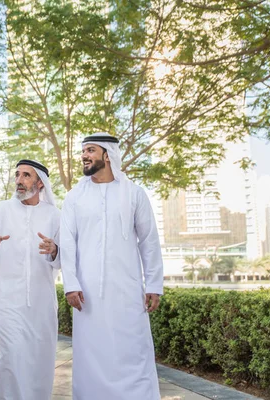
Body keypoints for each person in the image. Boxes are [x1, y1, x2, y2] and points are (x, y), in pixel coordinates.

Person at [60, 133, 164, 400]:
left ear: (107, 155)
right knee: (91, 354)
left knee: (133, 351)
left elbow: (149, 240)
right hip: (87, 293)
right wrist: (70, 283)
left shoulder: (134, 193)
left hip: (127, 290)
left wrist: (153, 284)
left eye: (90, 150)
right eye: (83, 151)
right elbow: (67, 242)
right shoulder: (74, 197)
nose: (84, 156)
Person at [0, 159, 61, 400]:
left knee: (40, 359)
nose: (19, 181)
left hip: (42, 302)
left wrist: (55, 249)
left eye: (26, 176)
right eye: (17, 175)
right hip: (7, 301)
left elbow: (65, 258)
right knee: (12, 356)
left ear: (40, 183)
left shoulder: (54, 215)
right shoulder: (0, 210)